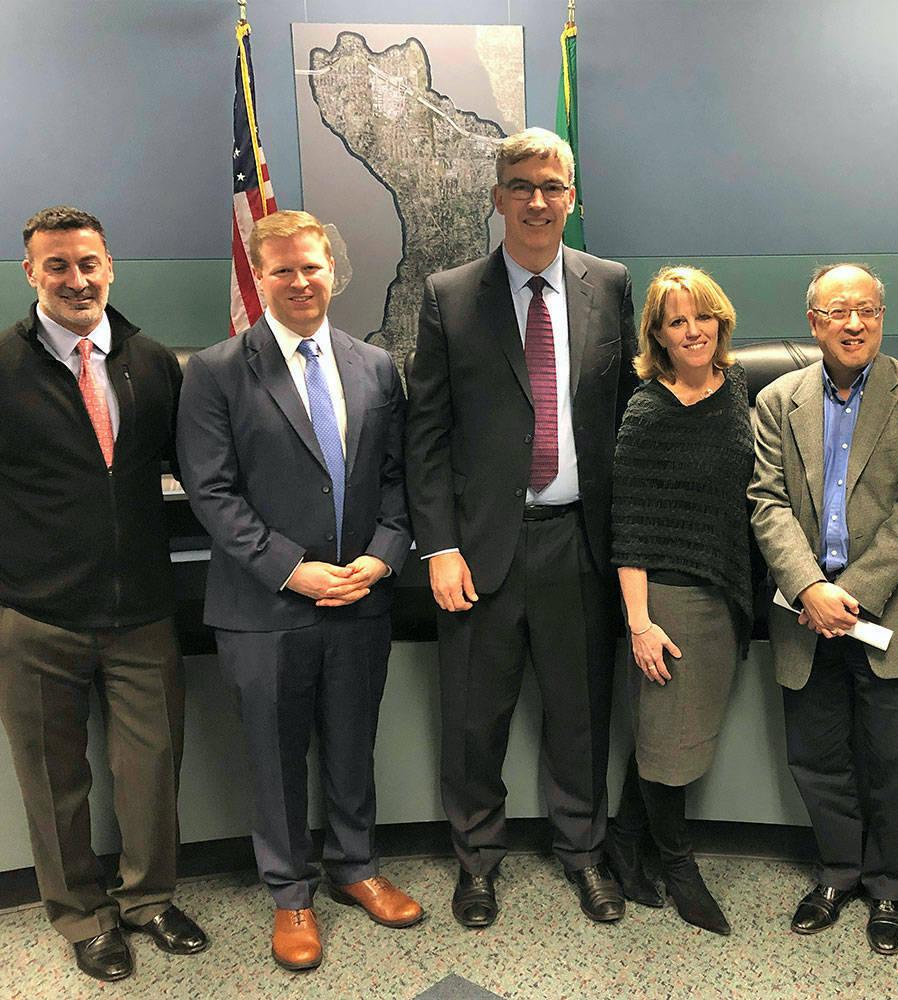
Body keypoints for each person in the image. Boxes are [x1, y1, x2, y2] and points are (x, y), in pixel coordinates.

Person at [405, 127, 637, 927]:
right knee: (475, 719)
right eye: (522, 185)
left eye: (553, 186)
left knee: (581, 712)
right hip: (477, 550)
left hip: (580, 541)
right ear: (498, 196)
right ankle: (477, 861)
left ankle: (584, 852)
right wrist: (436, 544)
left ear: (571, 197)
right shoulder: (447, 294)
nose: (538, 201)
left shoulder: (609, 283)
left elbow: (624, 415)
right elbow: (425, 433)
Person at [177, 210, 419, 972]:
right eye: (281, 269)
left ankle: (356, 868)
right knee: (275, 758)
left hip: (361, 598)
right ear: (260, 277)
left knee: (352, 741)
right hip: (266, 607)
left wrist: (382, 558)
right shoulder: (216, 371)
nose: (300, 280)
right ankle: (290, 895)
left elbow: (395, 478)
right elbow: (210, 493)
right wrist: (291, 567)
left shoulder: (375, 365)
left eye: (311, 266)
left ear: (331, 270)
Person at [0, 206, 207, 982]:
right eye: (57, 266)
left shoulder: (150, 361)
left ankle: (149, 900)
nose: (76, 279)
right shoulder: (3, 365)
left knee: (152, 770)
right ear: (31, 275)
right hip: (37, 615)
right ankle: (83, 917)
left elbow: (196, 470)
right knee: (54, 782)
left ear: (110, 266)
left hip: (143, 613)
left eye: (88, 263)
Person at [749, 263, 898, 954]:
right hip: (804, 613)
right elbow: (766, 502)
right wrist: (810, 588)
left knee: (894, 761)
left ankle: (890, 888)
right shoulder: (777, 399)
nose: (854, 323)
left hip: (891, 611)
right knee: (817, 756)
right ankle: (838, 870)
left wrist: (849, 594)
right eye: (838, 311)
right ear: (815, 322)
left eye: (866, 309)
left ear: (882, 316)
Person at [606, 266, 753, 936]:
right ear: (657, 336)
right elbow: (628, 526)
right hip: (664, 596)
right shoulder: (646, 410)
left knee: (678, 736)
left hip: (724, 589)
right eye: (675, 321)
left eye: (702, 316)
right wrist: (639, 623)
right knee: (669, 743)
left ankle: (622, 842)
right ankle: (678, 863)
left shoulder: (740, 389)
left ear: (719, 320)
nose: (692, 330)